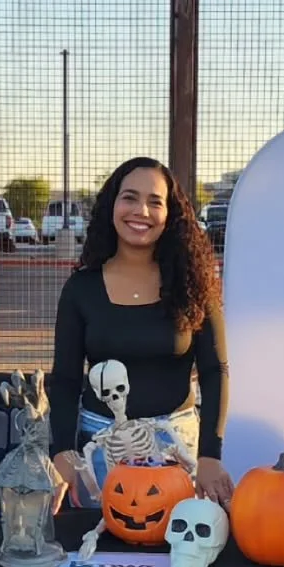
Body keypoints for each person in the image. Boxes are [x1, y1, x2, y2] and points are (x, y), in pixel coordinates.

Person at [47, 156, 233, 506]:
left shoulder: (194, 285)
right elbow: (66, 379)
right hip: (99, 452)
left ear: (170, 213)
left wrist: (211, 454)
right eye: (130, 197)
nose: (141, 211)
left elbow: (215, 370)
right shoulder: (81, 289)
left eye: (155, 201)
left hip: (178, 452)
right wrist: (62, 452)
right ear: (112, 205)